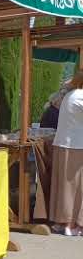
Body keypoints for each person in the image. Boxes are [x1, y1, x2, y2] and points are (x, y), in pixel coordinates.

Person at [50, 71, 83, 236]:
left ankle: (60, 222)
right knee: (75, 187)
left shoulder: (71, 95)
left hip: (65, 143)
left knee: (64, 185)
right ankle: (71, 224)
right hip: (75, 145)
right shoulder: (80, 96)